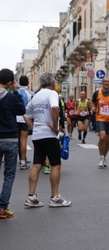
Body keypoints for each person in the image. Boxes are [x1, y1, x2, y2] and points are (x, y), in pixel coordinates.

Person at [23, 72, 71, 208]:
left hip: (37, 135)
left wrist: (33, 127)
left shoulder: (36, 96)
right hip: (49, 135)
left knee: (37, 165)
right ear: (52, 82)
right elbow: (55, 108)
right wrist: (55, 126)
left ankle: (31, 196)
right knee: (55, 164)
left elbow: (26, 114)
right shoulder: (52, 94)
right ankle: (54, 197)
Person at [0, 69, 26, 218]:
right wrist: (15, 92)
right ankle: (2, 207)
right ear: (10, 83)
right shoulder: (10, 97)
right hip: (9, 139)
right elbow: (21, 109)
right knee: (9, 175)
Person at [92, 78, 109, 168]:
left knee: (107, 141)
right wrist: (93, 108)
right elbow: (93, 103)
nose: (106, 83)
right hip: (100, 118)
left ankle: (104, 157)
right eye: (105, 81)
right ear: (102, 83)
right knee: (102, 137)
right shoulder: (97, 93)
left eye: (108, 82)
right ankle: (101, 157)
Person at [16, 75, 35, 170]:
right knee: (23, 140)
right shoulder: (31, 93)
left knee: (15, 140)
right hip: (25, 119)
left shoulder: (15, 93)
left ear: (19, 82)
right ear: (28, 83)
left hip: (14, 119)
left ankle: (11, 159)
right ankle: (22, 162)